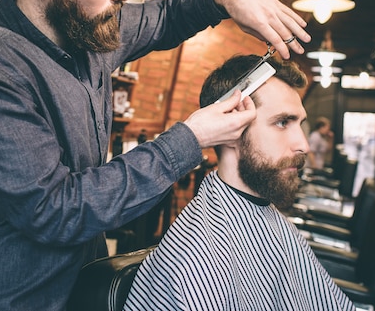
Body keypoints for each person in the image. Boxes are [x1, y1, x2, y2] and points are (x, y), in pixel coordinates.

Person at [0, 0, 311, 310]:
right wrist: (191, 137)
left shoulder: (86, 27)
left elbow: (167, 16)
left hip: (84, 288)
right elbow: (56, 210)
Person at [124, 55, 354, 311]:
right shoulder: (198, 258)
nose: (303, 145)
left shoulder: (269, 218)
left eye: (298, 124)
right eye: (282, 122)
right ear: (231, 126)